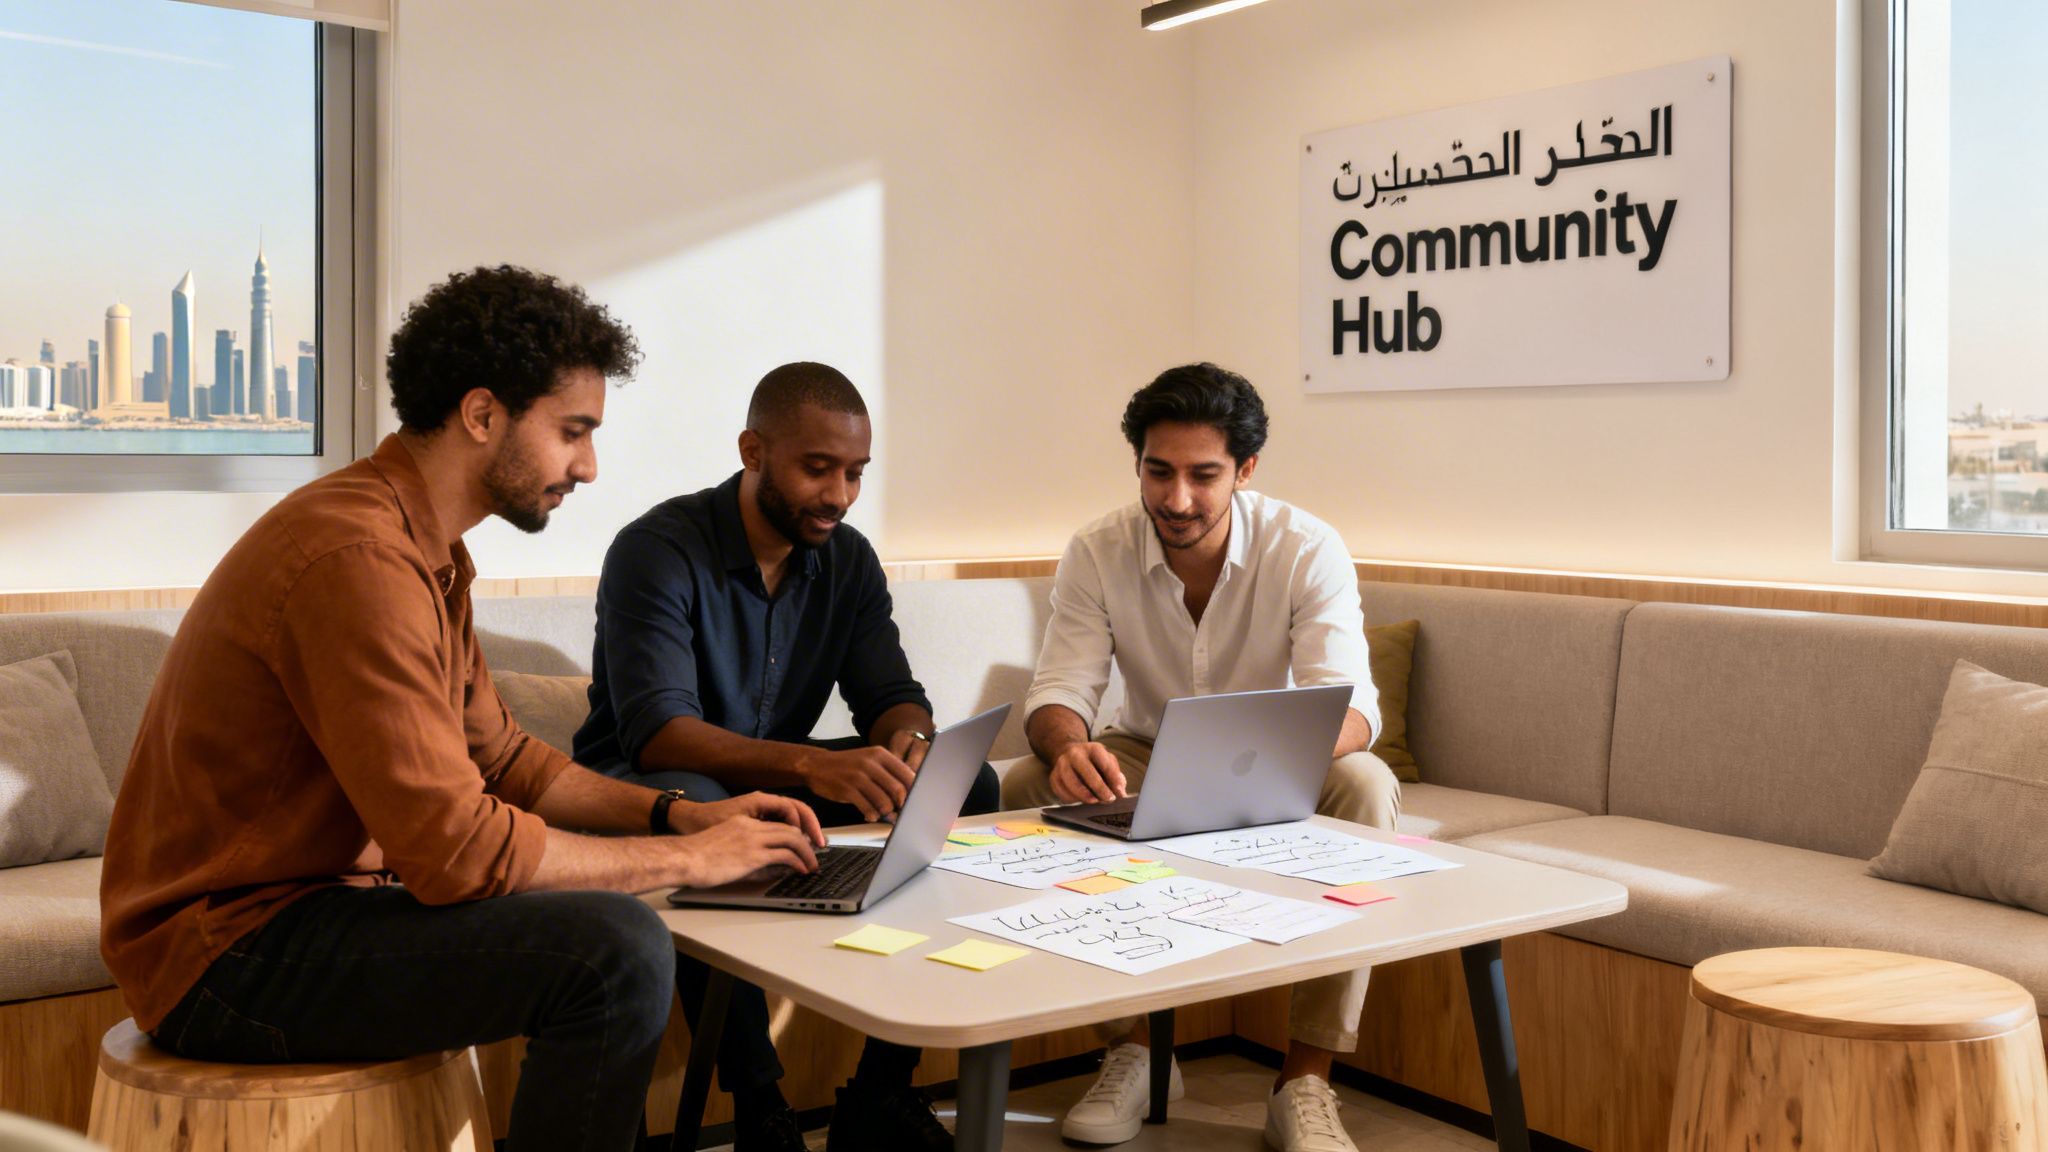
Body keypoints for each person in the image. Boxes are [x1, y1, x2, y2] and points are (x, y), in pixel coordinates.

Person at [98, 265, 825, 1152]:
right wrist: (691, 861)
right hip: (226, 954)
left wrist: (682, 817)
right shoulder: (357, 558)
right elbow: (456, 853)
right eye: (573, 432)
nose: (589, 467)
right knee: (614, 952)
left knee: (620, 926)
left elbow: (510, 763)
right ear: (483, 416)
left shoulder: (424, 551)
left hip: (309, 912)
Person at [574, 361, 999, 1152]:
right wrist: (810, 765)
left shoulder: (848, 558)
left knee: (965, 781)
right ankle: (760, 1105)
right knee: (696, 795)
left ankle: (880, 1090)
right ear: (753, 451)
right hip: (650, 786)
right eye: (818, 468)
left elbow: (891, 695)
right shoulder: (656, 550)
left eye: (855, 473)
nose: (838, 493)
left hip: (776, 782)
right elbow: (658, 731)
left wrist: (910, 743)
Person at [1000, 362, 1399, 1152]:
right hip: (1146, 747)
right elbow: (1059, 691)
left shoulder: (1307, 547)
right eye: (1159, 471)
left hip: (1277, 752)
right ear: (1138, 463)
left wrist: (1271, 751)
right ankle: (1136, 1051)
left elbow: (1354, 708)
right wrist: (1068, 743)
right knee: (1023, 779)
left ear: (1245, 471)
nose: (1176, 499)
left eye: (1203, 476)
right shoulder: (1097, 548)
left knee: (1365, 784)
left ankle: (1307, 1079)